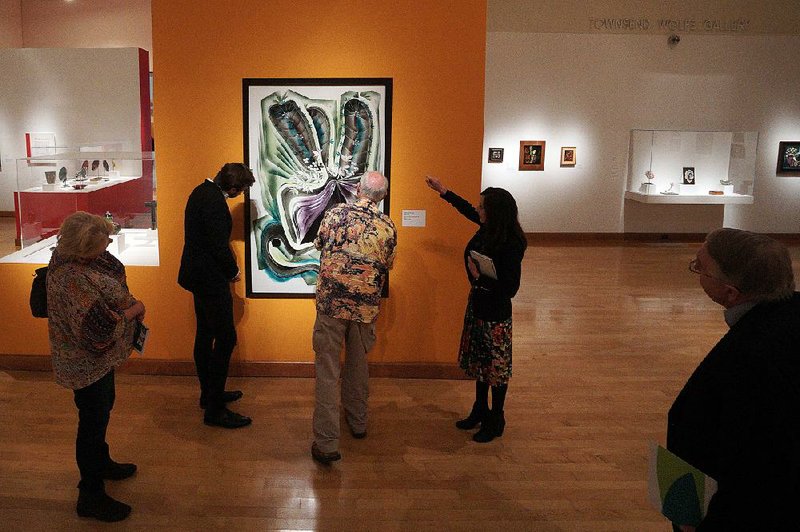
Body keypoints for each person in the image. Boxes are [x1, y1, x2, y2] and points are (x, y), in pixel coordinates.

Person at [668, 228, 800, 531]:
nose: (696, 270)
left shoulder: (751, 358)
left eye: (700, 267)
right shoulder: (786, 320)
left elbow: (755, 463)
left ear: (731, 292)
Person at [46, 211, 146, 522]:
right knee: (92, 421)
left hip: (95, 361)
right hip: (84, 361)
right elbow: (98, 329)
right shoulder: (73, 279)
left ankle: (102, 464)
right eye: (101, 245)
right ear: (84, 247)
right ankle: (90, 493)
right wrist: (134, 311)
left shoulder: (70, 261)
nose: (106, 249)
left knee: (101, 410)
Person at [425, 176, 527, 443]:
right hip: (479, 305)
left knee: (496, 367)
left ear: (494, 212)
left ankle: (497, 417)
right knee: (481, 364)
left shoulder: (511, 242)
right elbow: (469, 210)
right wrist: (445, 191)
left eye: (483, 207)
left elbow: (510, 288)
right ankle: (480, 409)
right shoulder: (488, 227)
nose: (478, 211)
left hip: (496, 312)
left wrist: (479, 277)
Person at [311, 171, 397, 464]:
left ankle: (326, 444)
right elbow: (387, 265)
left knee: (327, 372)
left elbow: (320, 245)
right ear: (382, 196)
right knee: (359, 368)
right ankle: (358, 423)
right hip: (364, 310)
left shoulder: (335, 214)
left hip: (331, 306)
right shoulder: (386, 225)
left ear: (357, 188)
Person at [178, 162, 255, 429]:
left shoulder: (201, 192)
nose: (240, 194)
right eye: (241, 190)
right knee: (225, 338)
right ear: (233, 187)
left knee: (206, 334)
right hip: (209, 279)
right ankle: (214, 409)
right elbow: (216, 244)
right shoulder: (212, 201)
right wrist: (233, 271)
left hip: (199, 276)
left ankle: (209, 394)